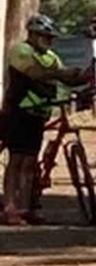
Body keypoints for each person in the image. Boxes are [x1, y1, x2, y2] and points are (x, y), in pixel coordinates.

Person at [2, 15, 90, 224]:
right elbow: (36, 73)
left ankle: (27, 206)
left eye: (50, 38)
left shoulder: (51, 56)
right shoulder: (21, 51)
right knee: (17, 161)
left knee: (30, 162)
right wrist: (63, 73)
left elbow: (64, 76)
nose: (49, 41)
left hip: (39, 113)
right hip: (19, 111)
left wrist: (83, 78)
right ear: (32, 35)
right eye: (45, 37)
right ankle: (9, 208)